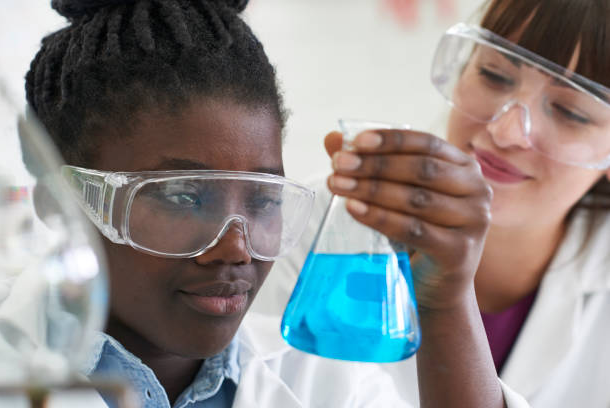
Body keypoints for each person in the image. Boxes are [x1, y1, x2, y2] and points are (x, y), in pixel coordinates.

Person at [0, 0, 534, 406]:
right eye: (182, 195)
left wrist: (445, 305)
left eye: (262, 200)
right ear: (60, 201)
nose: (235, 249)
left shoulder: (322, 380)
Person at [259, 0, 610, 406]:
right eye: (493, 75)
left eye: (570, 112)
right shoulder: (318, 222)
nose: (505, 131)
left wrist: (447, 305)